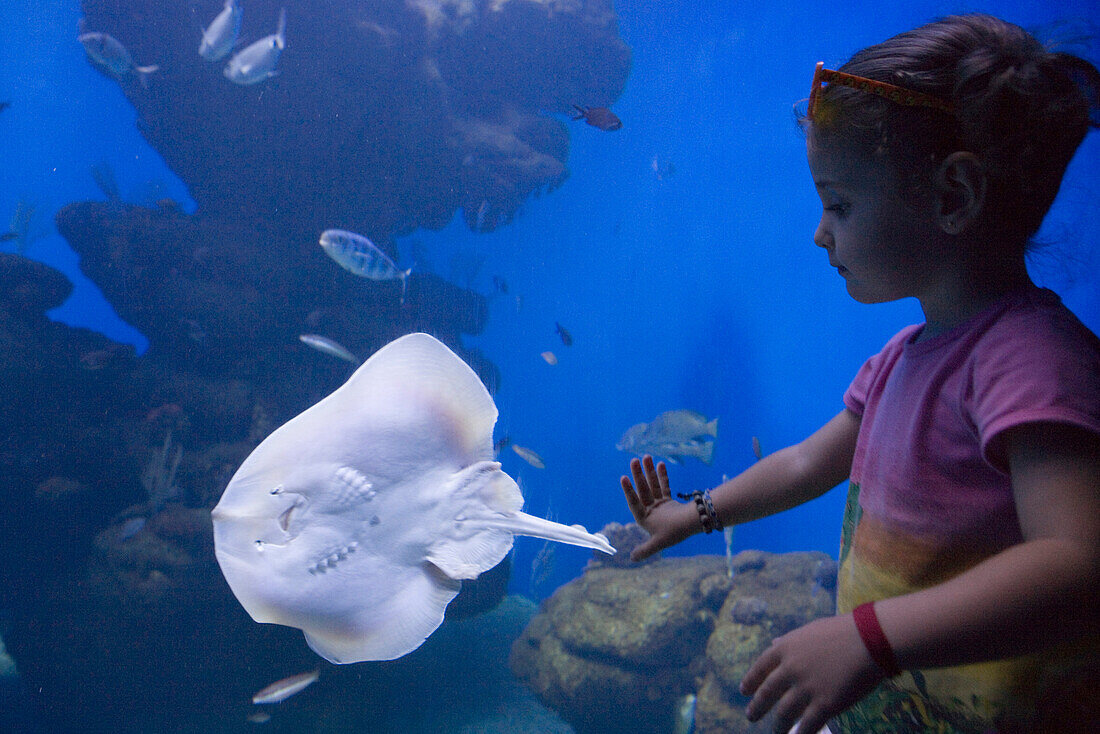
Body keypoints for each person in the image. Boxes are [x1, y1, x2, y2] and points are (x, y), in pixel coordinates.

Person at [620, 14, 1100, 734]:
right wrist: (693, 514)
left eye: (838, 203)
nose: (820, 231)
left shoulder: (1031, 361)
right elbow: (810, 462)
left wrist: (870, 639)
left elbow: (1077, 564)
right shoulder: (901, 358)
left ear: (952, 196)